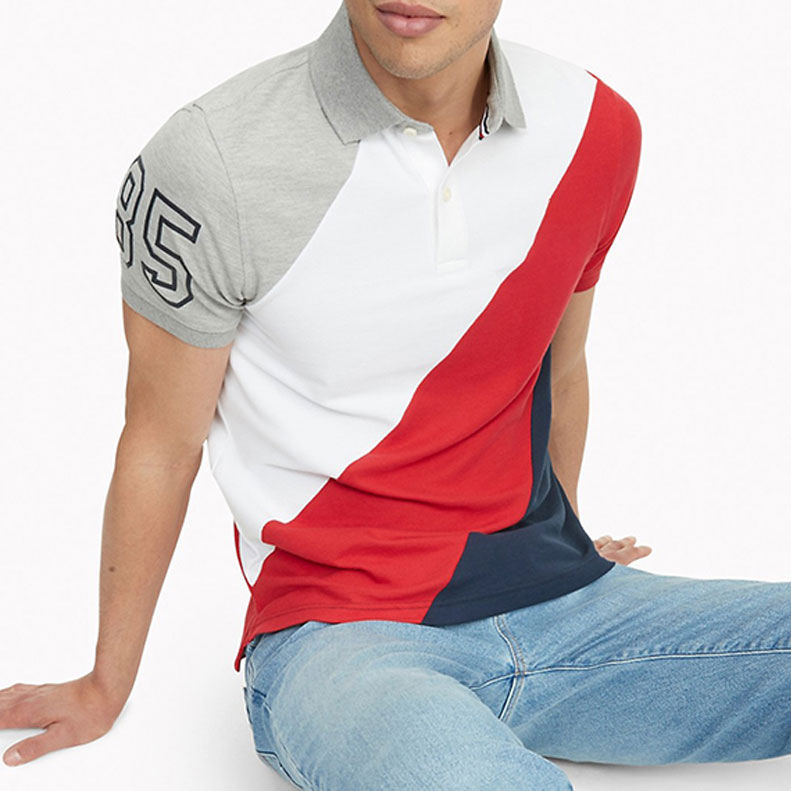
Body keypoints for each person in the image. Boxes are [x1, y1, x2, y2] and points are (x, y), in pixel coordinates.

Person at [2, 1, 789, 787]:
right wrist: (106, 683)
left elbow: (558, 364)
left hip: (564, 604)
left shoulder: (592, 127)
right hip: (340, 634)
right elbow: (159, 442)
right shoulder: (216, 159)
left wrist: (568, 542)